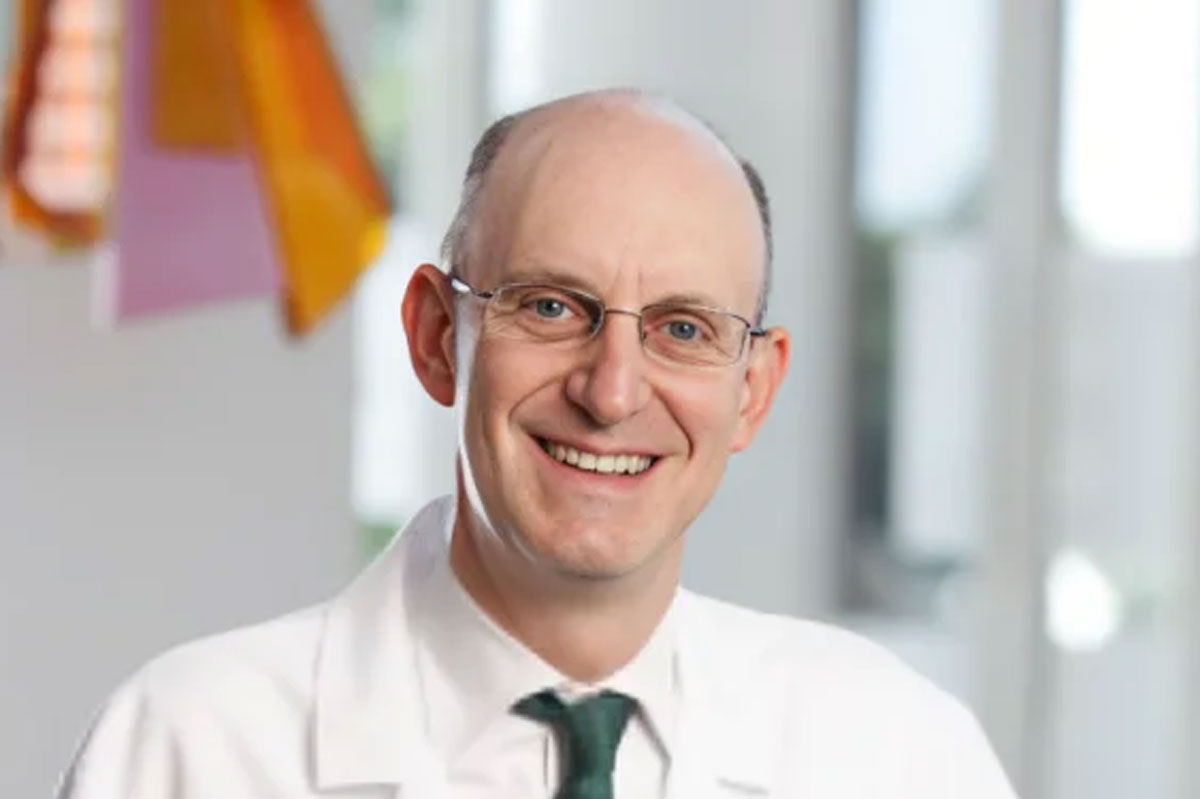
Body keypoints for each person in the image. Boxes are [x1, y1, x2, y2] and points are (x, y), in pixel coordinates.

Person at [57, 89, 1018, 798]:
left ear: (753, 391)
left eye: (684, 328)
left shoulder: (903, 755)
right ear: (439, 337)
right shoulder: (191, 747)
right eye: (551, 307)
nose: (611, 390)